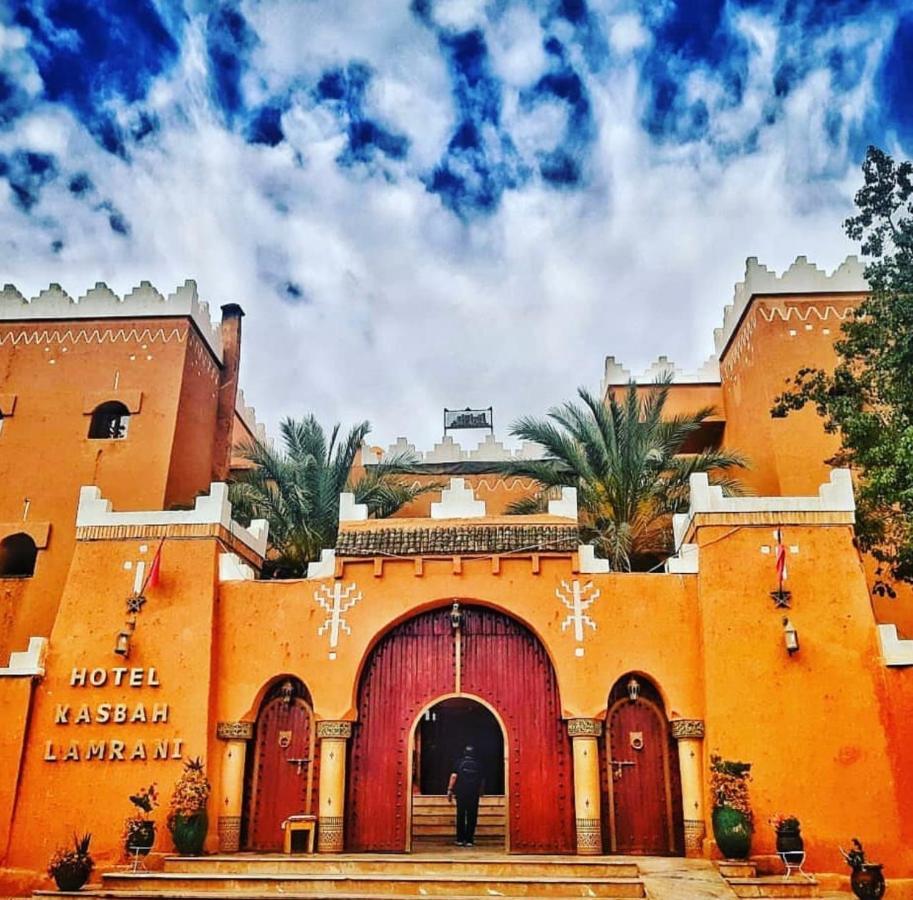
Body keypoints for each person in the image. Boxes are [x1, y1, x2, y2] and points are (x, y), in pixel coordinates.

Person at [447, 744, 483, 847]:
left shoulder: (459, 762)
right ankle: (469, 840)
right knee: (472, 816)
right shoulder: (478, 764)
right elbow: (482, 779)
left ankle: (459, 839)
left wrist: (450, 789)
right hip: (473, 793)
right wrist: (481, 791)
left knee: (461, 815)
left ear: (464, 752)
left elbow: (454, 776)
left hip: (461, 792)